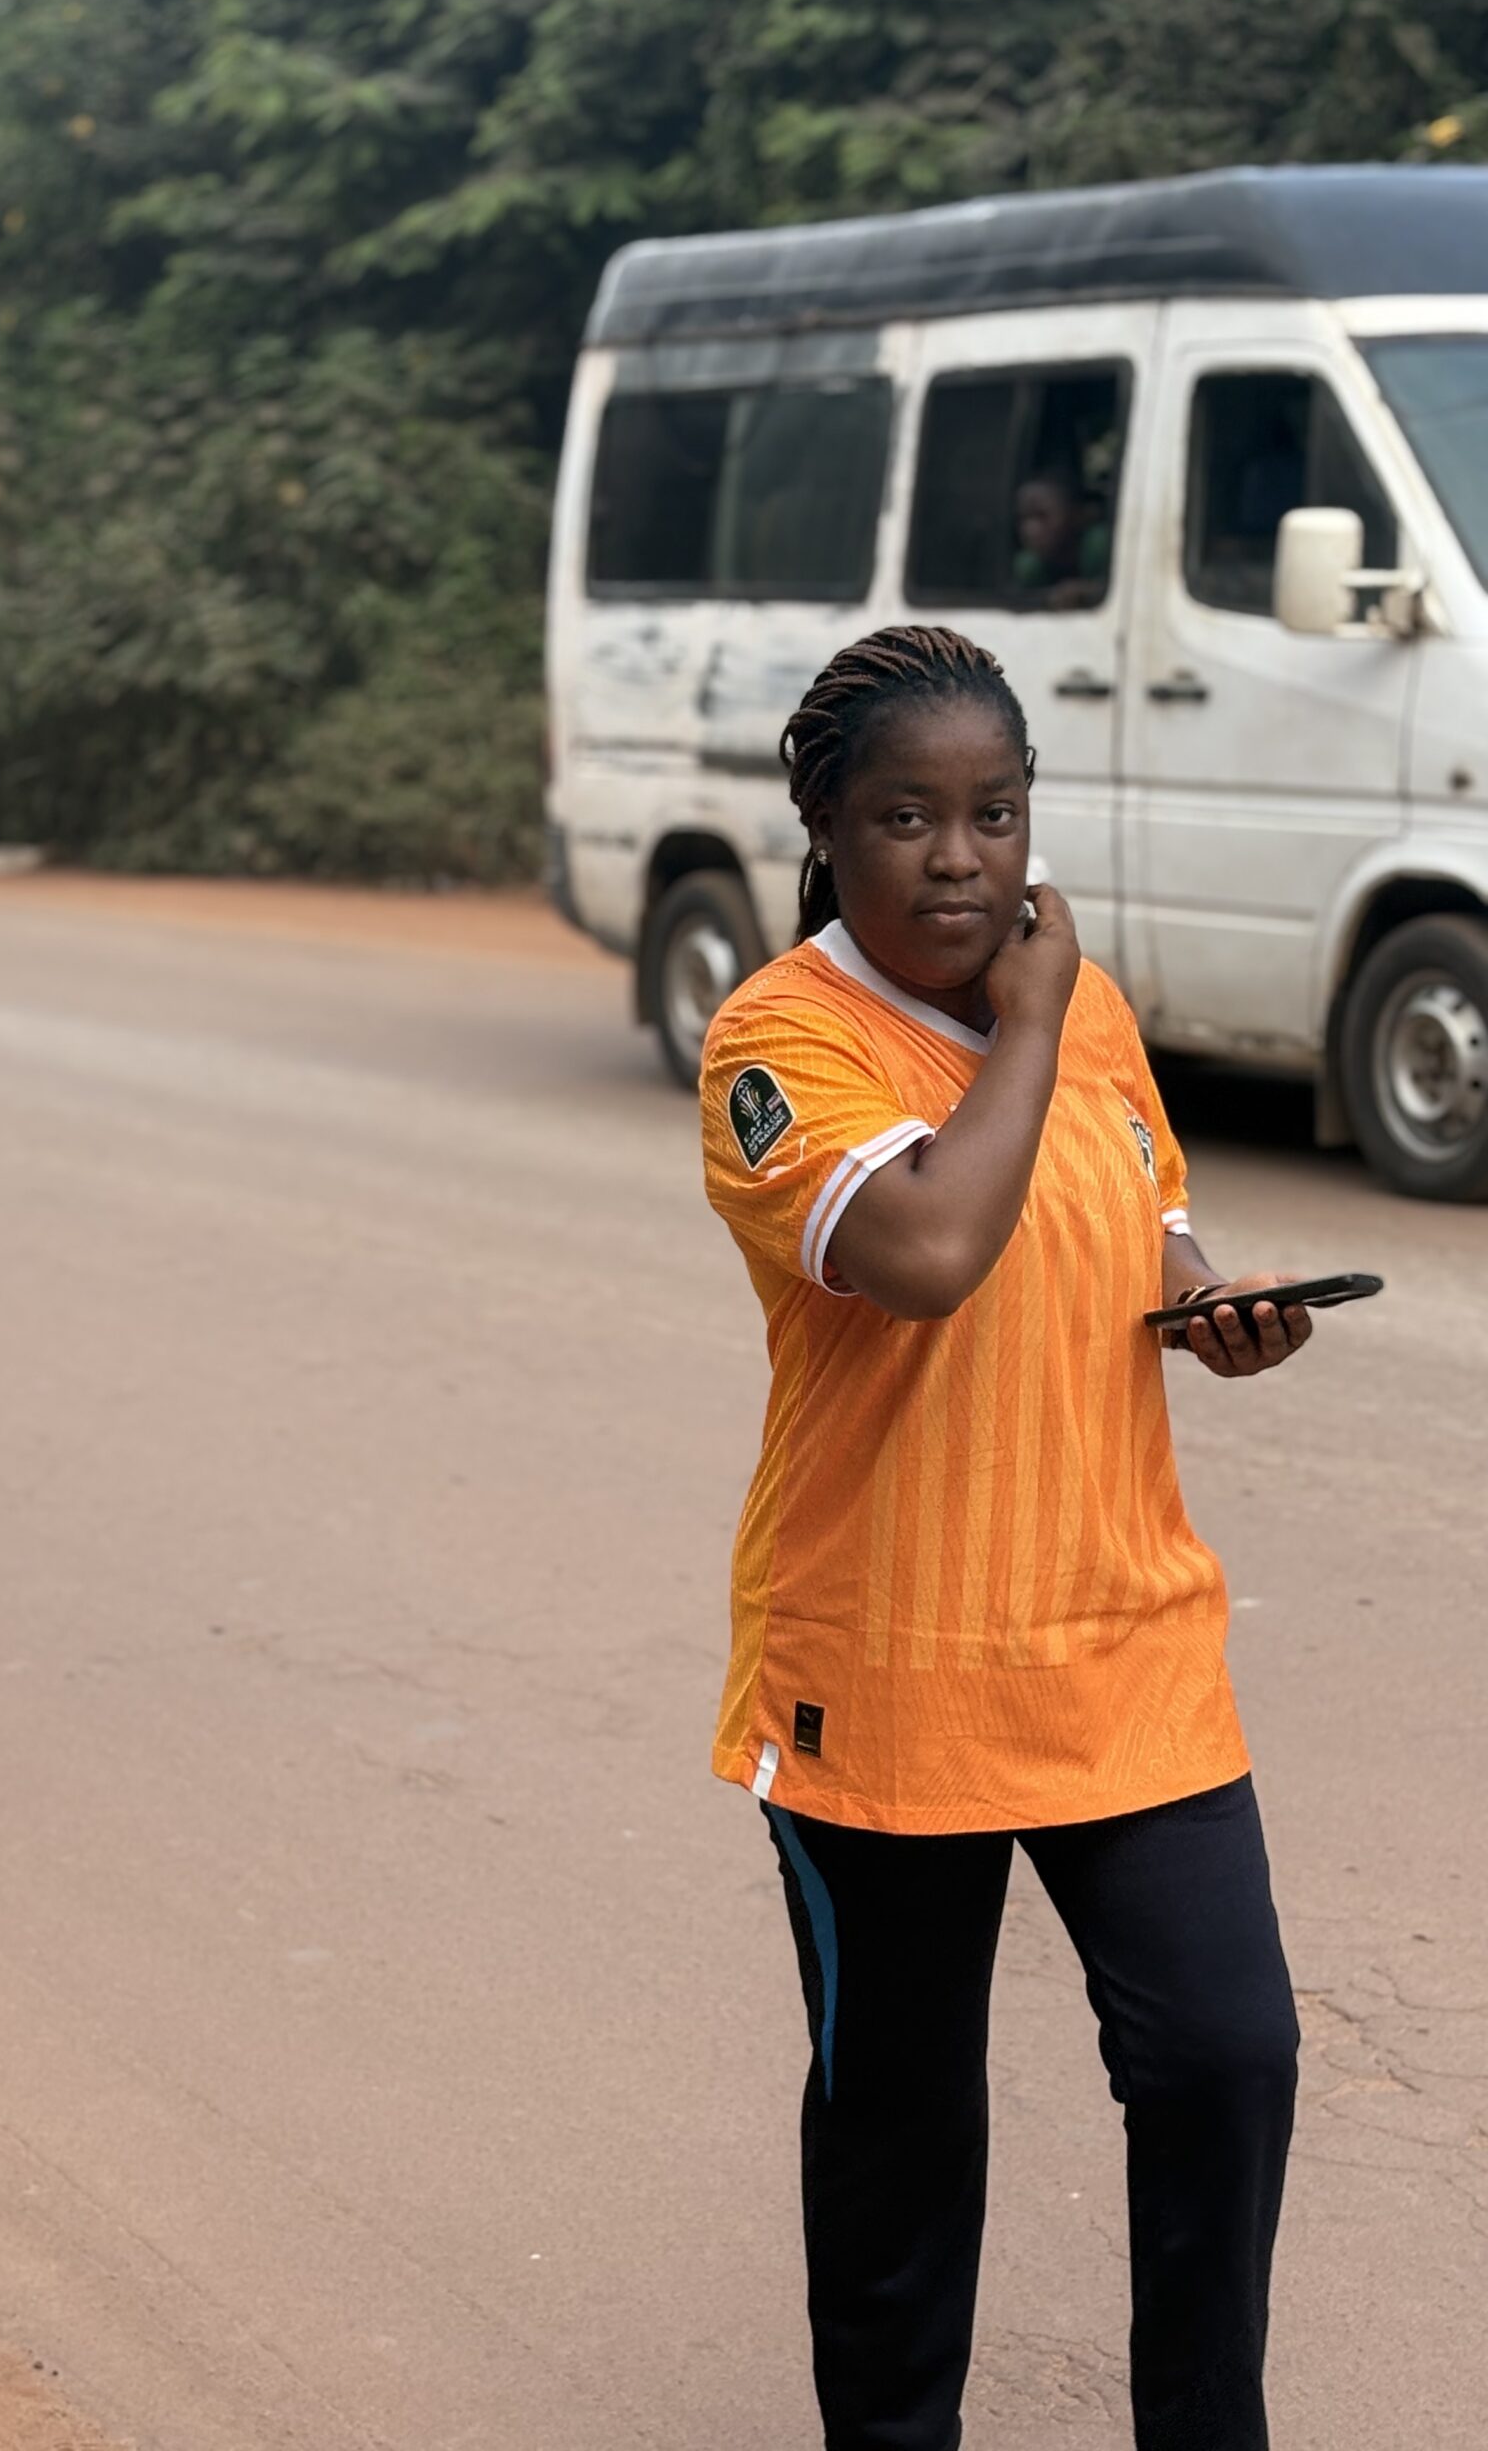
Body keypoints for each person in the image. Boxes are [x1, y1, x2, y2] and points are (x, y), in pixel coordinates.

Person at [699, 626, 1312, 2451]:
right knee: (899, 2128)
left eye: (996, 812)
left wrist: (1210, 1305)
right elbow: (928, 1252)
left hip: (1123, 1641)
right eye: (907, 817)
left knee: (1226, 2059)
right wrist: (1029, 1021)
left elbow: (1145, 1216)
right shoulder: (778, 1041)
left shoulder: (1087, 1009)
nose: (961, 858)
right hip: (886, 1675)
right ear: (826, 829)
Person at [1011, 465, 1111, 609]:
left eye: (1042, 516)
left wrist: (1086, 591)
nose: (1030, 529)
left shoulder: (1099, 546)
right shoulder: (1030, 566)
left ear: (1074, 515)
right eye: (1024, 518)